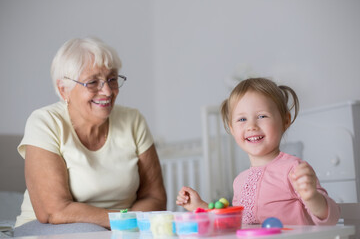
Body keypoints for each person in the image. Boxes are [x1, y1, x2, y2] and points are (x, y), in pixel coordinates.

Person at [14, 37, 167, 236]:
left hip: (120, 229)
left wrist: (124, 226)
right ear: (63, 90)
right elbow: (53, 211)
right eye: (93, 82)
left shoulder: (133, 120)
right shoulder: (45, 122)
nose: (107, 91)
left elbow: (155, 198)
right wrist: (124, 222)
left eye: (112, 79)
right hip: (45, 228)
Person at [176, 78, 340, 225]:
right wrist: (200, 206)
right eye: (242, 119)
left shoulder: (294, 170)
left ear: (285, 120)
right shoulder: (239, 181)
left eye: (262, 116)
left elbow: (331, 218)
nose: (251, 126)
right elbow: (235, 223)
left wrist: (312, 197)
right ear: (232, 129)